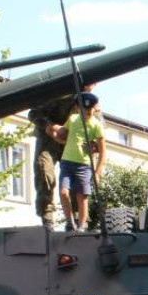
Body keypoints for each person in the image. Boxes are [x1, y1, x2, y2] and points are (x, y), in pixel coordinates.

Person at [27, 85, 93, 229]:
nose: (91, 87)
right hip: (48, 138)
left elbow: (96, 125)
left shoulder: (88, 101)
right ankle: (47, 218)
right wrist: (51, 127)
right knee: (44, 169)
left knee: (79, 176)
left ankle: (77, 221)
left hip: (73, 142)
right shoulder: (59, 92)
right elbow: (34, 113)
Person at [58, 91, 106, 232]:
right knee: (63, 192)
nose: (87, 113)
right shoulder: (72, 119)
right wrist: (57, 130)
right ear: (78, 108)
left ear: (94, 109)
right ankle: (69, 221)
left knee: (82, 195)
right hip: (67, 161)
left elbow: (103, 152)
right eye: (84, 110)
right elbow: (63, 131)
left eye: (90, 110)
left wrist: (97, 172)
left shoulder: (96, 125)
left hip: (83, 165)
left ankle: (82, 225)